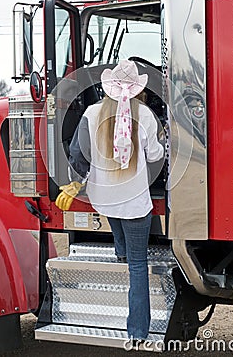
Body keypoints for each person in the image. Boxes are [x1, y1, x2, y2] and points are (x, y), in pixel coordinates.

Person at [56, 59, 165, 341]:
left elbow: (79, 155)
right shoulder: (148, 116)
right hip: (134, 202)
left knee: (118, 224)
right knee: (138, 267)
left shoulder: (91, 114)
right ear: (139, 90)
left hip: (103, 200)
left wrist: (87, 179)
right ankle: (138, 331)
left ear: (108, 89)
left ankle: (121, 250)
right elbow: (155, 156)